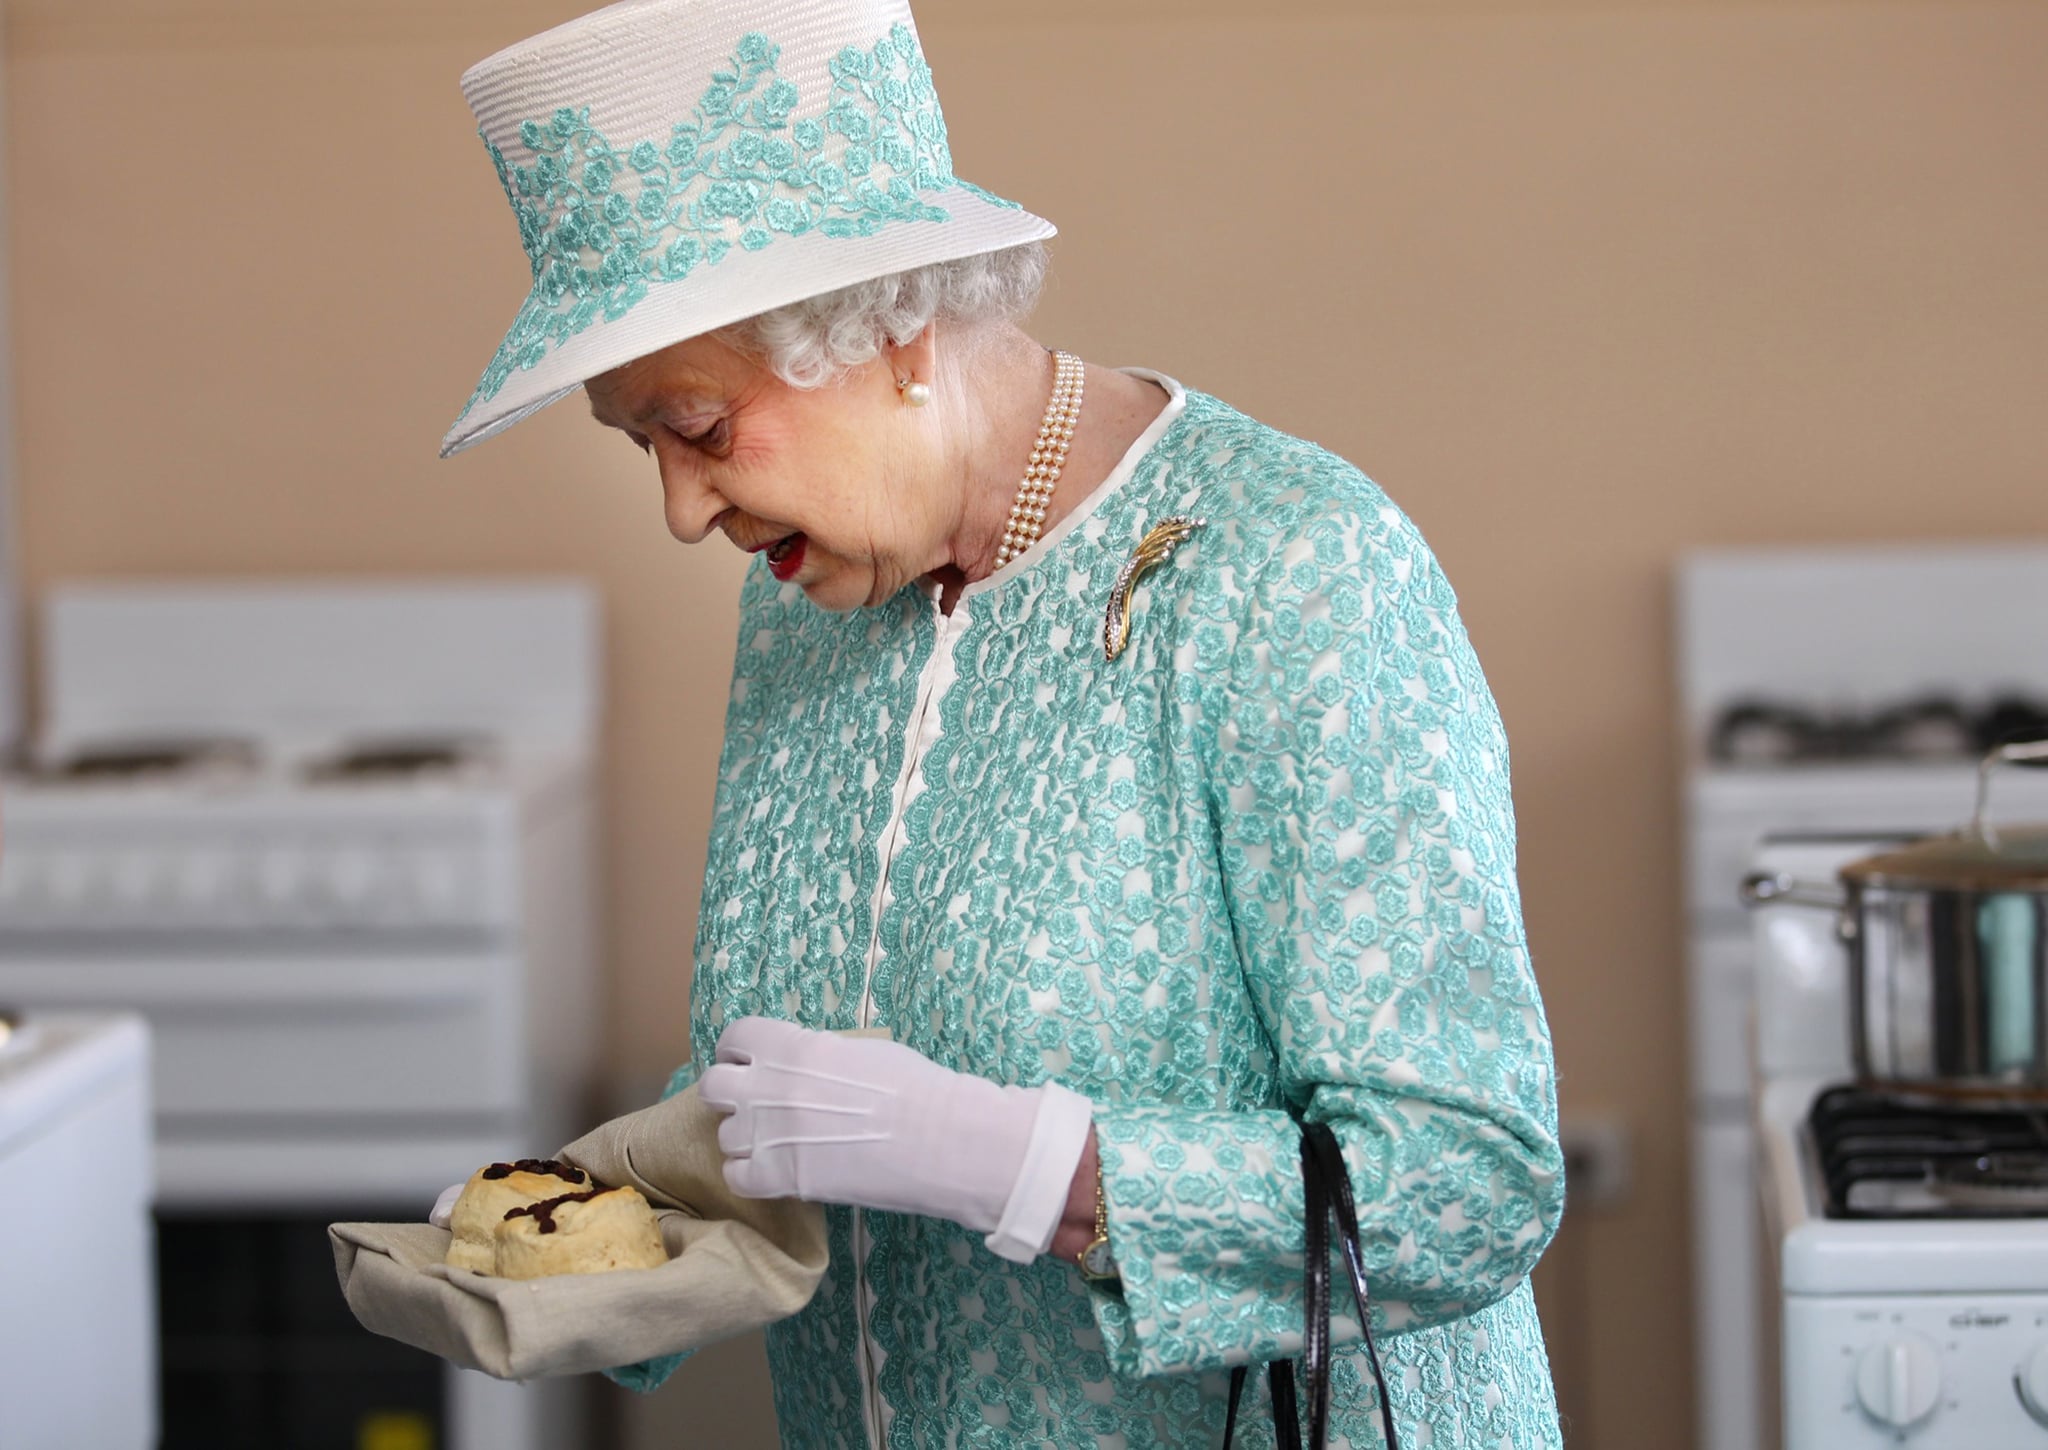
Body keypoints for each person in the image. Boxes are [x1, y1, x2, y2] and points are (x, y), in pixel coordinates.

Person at [441, 1, 1565, 1444]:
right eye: (638, 440)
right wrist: (582, 1214)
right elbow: (810, 1098)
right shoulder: (799, 611)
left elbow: (1468, 1178)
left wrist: (1027, 1163)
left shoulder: (1292, 566)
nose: (678, 508)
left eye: (702, 428)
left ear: (899, 324)